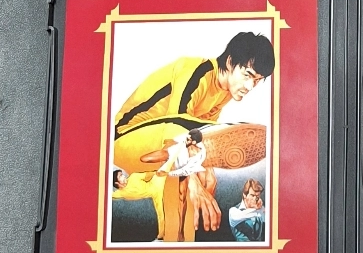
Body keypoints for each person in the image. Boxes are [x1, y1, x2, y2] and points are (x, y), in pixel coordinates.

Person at [113, 31, 275, 236]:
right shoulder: (196, 70)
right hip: (125, 138)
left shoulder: (224, 93)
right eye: (248, 75)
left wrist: (205, 173)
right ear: (230, 62)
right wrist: (193, 179)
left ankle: (178, 241)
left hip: (161, 150)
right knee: (191, 165)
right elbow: (176, 128)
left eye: (257, 80)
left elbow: (195, 141)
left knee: (197, 176)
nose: (250, 86)